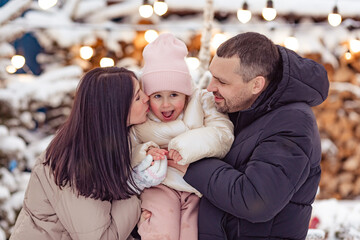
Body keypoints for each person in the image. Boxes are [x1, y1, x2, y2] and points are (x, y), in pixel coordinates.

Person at [172, 32, 329, 239]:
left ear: (257, 85)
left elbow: (256, 200)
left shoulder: (293, 124)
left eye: (222, 82)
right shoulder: (239, 107)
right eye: (212, 76)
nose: (211, 88)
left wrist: (192, 165)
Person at [10, 67, 167, 240]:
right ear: (115, 110)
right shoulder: (78, 163)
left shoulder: (105, 143)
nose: (146, 98)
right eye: (138, 97)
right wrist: (134, 185)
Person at [130, 33, 234, 240]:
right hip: (159, 186)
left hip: (196, 188)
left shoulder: (203, 101)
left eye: (174, 95)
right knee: (160, 233)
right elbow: (127, 149)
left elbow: (223, 135)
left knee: (191, 234)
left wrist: (185, 145)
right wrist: (145, 152)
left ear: (186, 93)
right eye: (157, 96)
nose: (166, 105)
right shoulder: (142, 115)